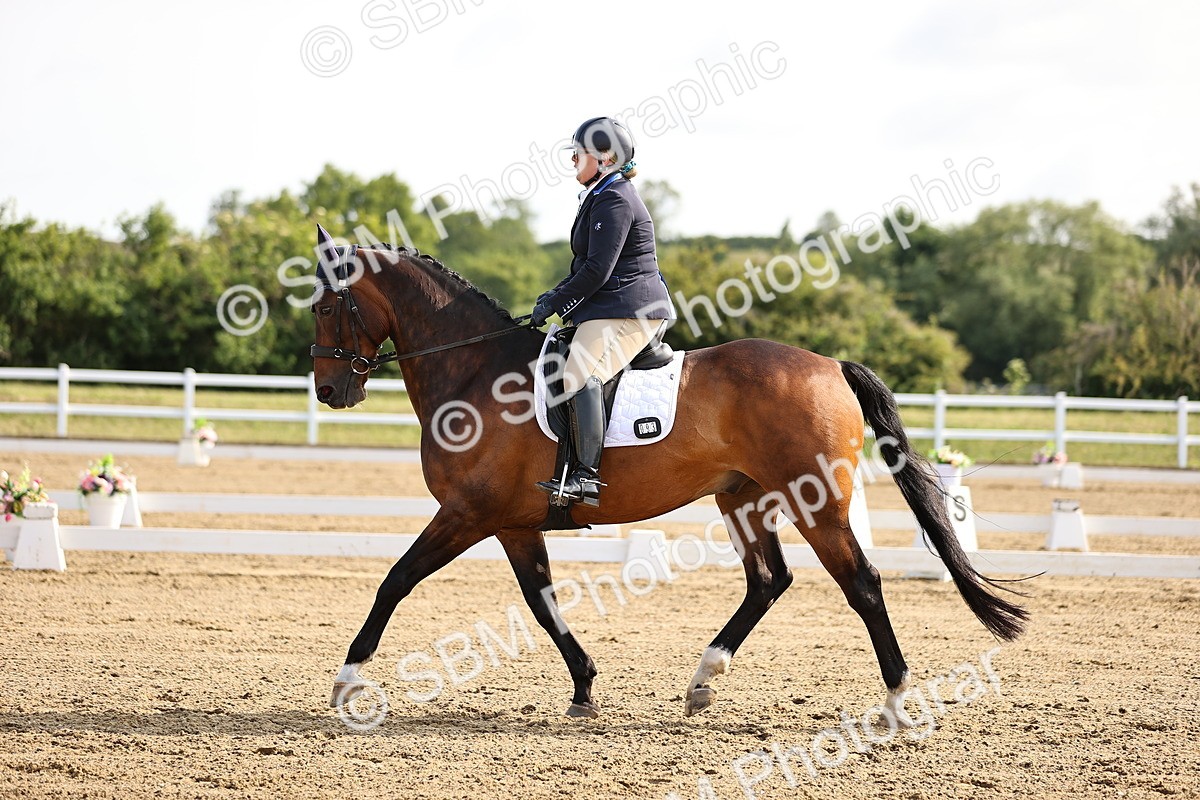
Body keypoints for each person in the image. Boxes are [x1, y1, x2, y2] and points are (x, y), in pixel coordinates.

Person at [530, 116, 675, 508]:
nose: (573, 160)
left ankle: (586, 478)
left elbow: (598, 270)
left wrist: (558, 303)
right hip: (612, 306)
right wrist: (554, 295)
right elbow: (585, 267)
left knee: (580, 373)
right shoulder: (601, 194)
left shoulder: (615, 198)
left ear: (605, 157)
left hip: (631, 309)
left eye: (579, 154)